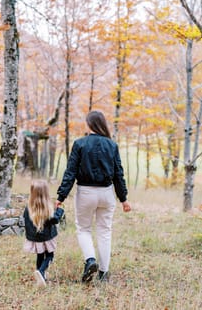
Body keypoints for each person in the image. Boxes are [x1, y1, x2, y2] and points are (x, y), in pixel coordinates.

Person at [56, 110, 131, 283]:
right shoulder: (112, 145)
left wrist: (61, 196)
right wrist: (124, 199)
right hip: (107, 193)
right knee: (105, 232)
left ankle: (90, 260)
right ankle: (103, 273)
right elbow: (118, 174)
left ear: (90, 124)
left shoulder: (79, 144)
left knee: (84, 229)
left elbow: (70, 172)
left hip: (86, 193)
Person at [23, 179, 64, 287]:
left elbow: (26, 223)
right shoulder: (47, 208)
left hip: (35, 238)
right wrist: (59, 210)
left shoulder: (29, 208)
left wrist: (30, 236)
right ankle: (41, 271)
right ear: (46, 193)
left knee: (40, 255)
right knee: (50, 255)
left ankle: (40, 277)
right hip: (47, 237)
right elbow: (55, 220)